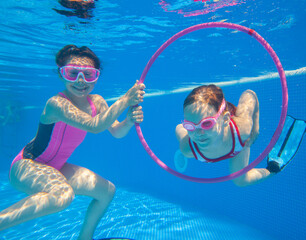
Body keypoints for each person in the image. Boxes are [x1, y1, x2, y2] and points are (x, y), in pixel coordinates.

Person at [0, 45, 146, 239]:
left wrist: (128, 121)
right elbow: (94, 125)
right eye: (72, 73)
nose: (80, 80)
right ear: (61, 75)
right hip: (27, 165)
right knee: (62, 195)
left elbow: (117, 132)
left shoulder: (98, 102)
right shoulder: (56, 103)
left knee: (107, 191)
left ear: (97, 76)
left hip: (56, 168)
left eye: (88, 74)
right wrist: (125, 99)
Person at [175, 84, 286, 187]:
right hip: (223, 137)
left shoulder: (242, 128)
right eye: (189, 126)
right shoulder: (188, 149)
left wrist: (255, 128)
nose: (198, 133)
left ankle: (272, 169)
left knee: (241, 180)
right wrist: (189, 126)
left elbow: (249, 94)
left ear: (226, 119)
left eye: (206, 123)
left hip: (236, 141)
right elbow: (179, 129)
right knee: (241, 182)